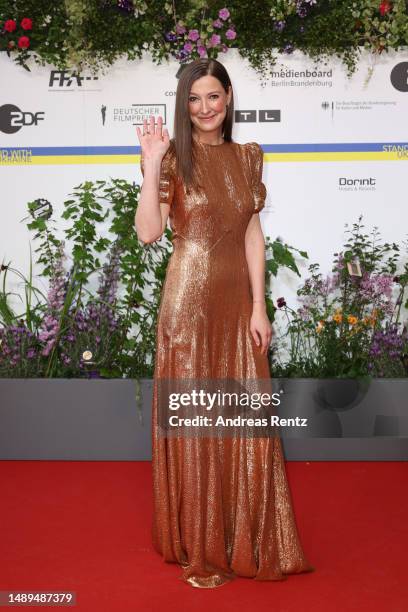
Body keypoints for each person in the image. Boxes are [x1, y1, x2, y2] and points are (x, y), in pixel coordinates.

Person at [135, 58, 315, 588]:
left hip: (239, 304)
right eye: (194, 99)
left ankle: (244, 534)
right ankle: (201, 544)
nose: (205, 108)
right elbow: (149, 233)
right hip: (187, 306)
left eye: (213, 96)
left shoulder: (248, 157)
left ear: (229, 98)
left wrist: (260, 307)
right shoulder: (172, 161)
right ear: (183, 105)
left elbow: (252, 236)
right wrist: (151, 170)